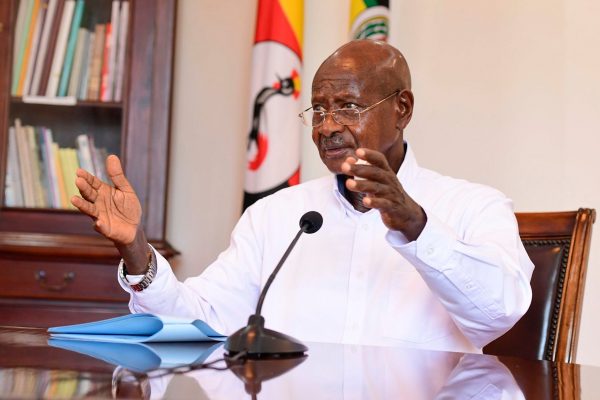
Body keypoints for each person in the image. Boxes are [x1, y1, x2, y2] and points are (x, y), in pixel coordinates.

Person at [72, 40, 534, 353]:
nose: (327, 127)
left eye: (348, 107)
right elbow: (201, 322)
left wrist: (416, 226)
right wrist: (137, 252)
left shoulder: (475, 207)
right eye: (318, 110)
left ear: (402, 109)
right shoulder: (277, 215)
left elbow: (499, 313)